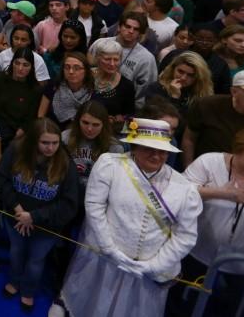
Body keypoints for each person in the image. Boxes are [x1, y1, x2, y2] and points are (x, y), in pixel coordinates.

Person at [59, 118, 201, 317]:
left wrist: (154, 266)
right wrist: (109, 249)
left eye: (162, 151)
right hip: (105, 256)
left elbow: (185, 236)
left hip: (148, 270)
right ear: (134, 147)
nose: (156, 155)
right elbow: (94, 206)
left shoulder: (185, 189)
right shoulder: (111, 165)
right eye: (149, 149)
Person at [170, 127, 244, 317]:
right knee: (183, 308)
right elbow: (179, 191)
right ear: (240, 147)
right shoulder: (209, 162)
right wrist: (223, 194)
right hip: (196, 255)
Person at [0, 118, 79, 314]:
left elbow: (69, 204)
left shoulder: (66, 165)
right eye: (45, 143)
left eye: (55, 143)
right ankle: (14, 281)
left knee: (36, 260)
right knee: (16, 252)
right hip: (16, 219)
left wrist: (34, 217)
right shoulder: (16, 151)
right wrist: (18, 210)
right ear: (34, 141)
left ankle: (28, 290)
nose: (51, 148)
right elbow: (1, 177)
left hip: (46, 226)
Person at [89, 12, 158, 98]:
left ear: (141, 33)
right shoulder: (100, 44)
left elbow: (145, 91)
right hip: (92, 95)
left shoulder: (147, 59)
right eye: (127, 26)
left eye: (136, 29)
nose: (131, 31)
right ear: (119, 27)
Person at [0, 48, 43, 147]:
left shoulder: (35, 89)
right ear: (12, 63)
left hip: (19, 130)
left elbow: (31, 116)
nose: (20, 68)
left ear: (31, 67)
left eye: (25, 65)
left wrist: (21, 131)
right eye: (17, 63)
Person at [145, 51, 214, 116]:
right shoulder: (156, 89)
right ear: (173, 69)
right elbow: (164, 120)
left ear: (198, 78)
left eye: (190, 75)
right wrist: (174, 97)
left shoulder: (203, 96)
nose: (183, 78)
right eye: (180, 71)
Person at [39, 52, 93, 127]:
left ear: (86, 71)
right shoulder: (53, 85)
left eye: (76, 68)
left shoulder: (92, 91)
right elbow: (41, 115)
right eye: (67, 67)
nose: (71, 72)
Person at [90, 40, 136, 125]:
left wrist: (119, 119)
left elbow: (130, 116)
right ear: (97, 58)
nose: (112, 64)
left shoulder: (127, 85)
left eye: (116, 60)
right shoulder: (86, 76)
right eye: (107, 59)